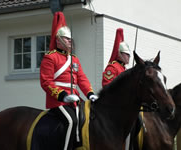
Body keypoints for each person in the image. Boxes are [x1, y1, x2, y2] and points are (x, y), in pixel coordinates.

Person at [40, 12, 98, 150]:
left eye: (70, 39)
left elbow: (82, 79)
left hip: (75, 98)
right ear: (58, 41)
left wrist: (90, 94)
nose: (70, 41)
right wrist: (63, 96)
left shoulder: (74, 59)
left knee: (90, 118)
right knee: (71, 121)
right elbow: (46, 82)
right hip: (58, 100)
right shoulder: (50, 57)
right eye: (66, 39)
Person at [102, 28, 131, 150]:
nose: (128, 57)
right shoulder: (112, 68)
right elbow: (107, 86)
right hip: (113, 106)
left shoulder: (125, 70)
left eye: (129, 55)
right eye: (126, 54)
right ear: (119, 54)